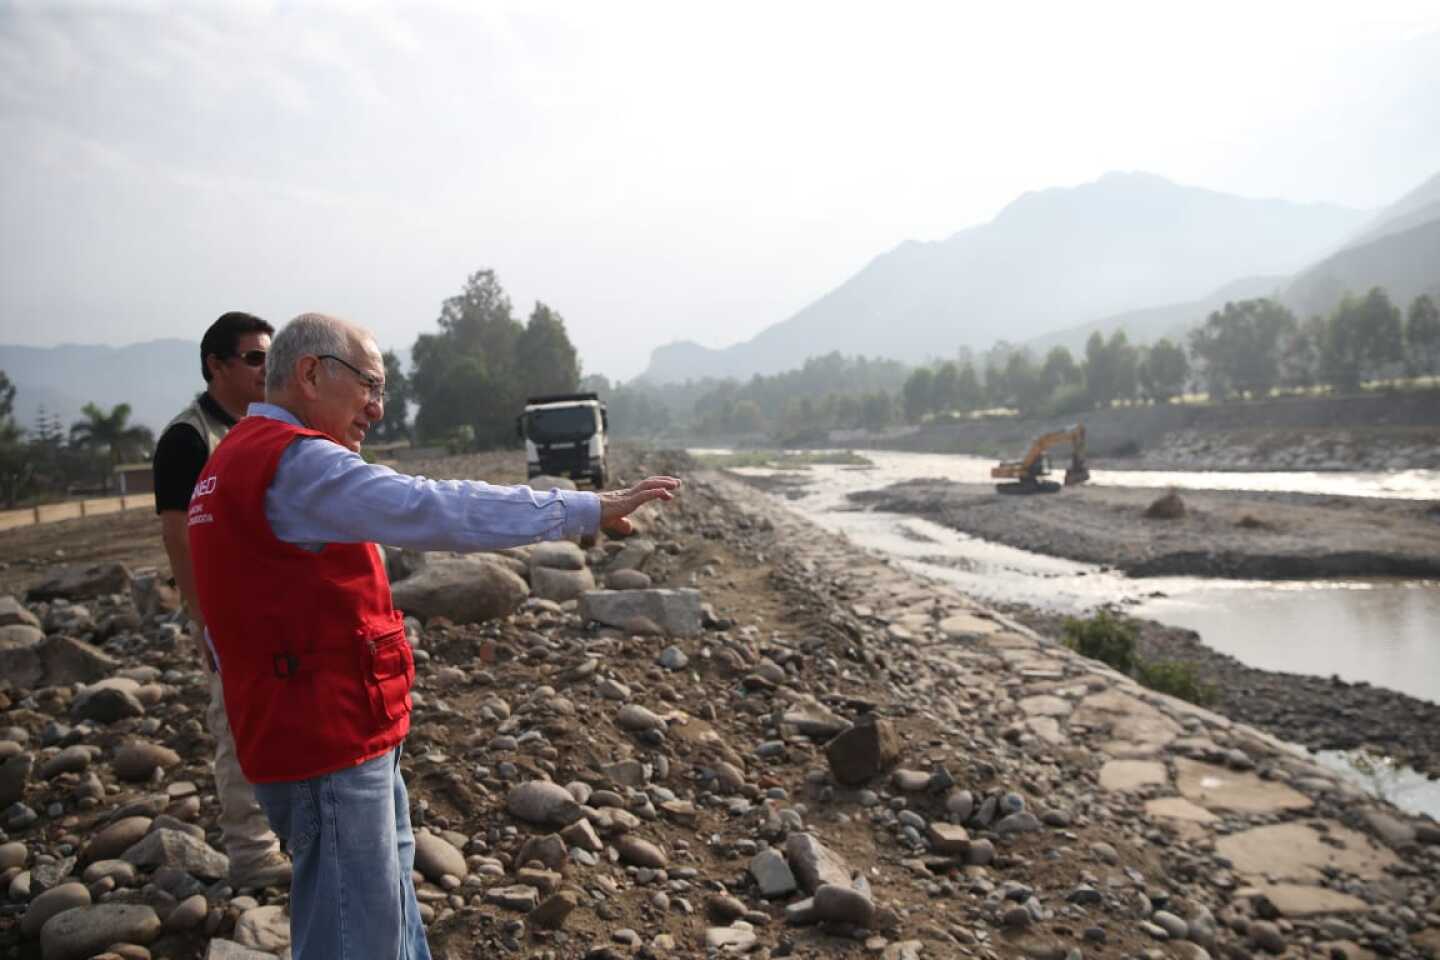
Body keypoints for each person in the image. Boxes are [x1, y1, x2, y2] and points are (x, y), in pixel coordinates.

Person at [187, 313, 680, 960]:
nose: (378, 408)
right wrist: (585, 507)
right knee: (355, 937)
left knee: (387, 911)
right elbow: (434, 506)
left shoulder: (232, 459)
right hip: (325, 738)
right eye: (369, 385)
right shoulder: (297, 463)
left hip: (321, 729)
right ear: (310, 373)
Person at [151, 311, 291, 890]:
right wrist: (202, 619)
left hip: (279, 602)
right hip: (228, 614)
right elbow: (178, 537)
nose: (266, 368)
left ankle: (292, 832)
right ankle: (253, 854)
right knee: (238, 726)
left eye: (271, 358)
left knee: (292, 719)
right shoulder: (188, 439)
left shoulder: (269, 424)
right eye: (255, 358)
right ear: (216, 365)